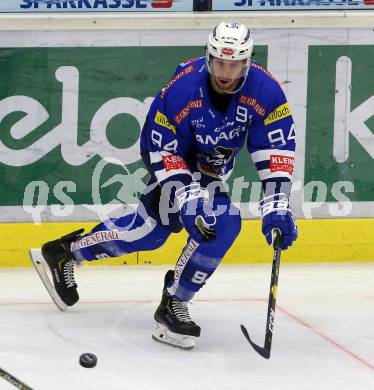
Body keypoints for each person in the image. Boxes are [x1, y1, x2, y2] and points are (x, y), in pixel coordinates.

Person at [38, 22, 298, 349]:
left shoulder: (265, 92)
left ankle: (175, 301)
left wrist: (276, 206)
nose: (225, 72)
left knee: (223, 224)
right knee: (148, 235)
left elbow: (276, 149)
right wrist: (187, 198)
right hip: (172, 162)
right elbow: (159, 146)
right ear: (209, 57)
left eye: (234, 64)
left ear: (247, 61)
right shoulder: (183, 88)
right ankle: (66, 252)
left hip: (211, 172)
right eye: (219, 61)